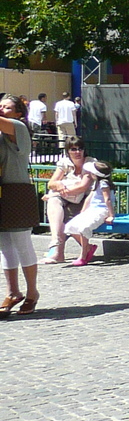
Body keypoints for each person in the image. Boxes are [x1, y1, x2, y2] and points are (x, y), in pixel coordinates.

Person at [0, 95, 39, 317]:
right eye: (0, 106)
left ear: (17, 114)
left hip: (16, 192)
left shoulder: (18, 127)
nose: (3, 109)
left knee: (22, 244)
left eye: (8, 107)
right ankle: (13, 292)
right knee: (5, 246)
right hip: (1, 192)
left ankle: (32, 292)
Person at [41, 137, 93, 264]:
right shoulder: (64, 162)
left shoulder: (90, 163)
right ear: (68, 151)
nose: (77, 152)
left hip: (87, 200)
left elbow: (83, 187)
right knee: (54, 203)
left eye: (80, 148)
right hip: (68, 198)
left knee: (65, 218)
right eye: (73, 149)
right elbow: (51, 183)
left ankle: (59, 252)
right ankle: (56, 242)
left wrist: (61, 191)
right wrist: (58, 186)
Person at [62, 160, 115, 265]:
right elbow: (89, 198)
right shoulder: (96, 183)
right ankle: (87, 247)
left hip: (101, 210)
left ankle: (83, 255)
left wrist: (111, 215)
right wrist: (83, 212)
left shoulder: (104, 183)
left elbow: (107, 199)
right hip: (92, 209)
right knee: (70, 226)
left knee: (84, 228)